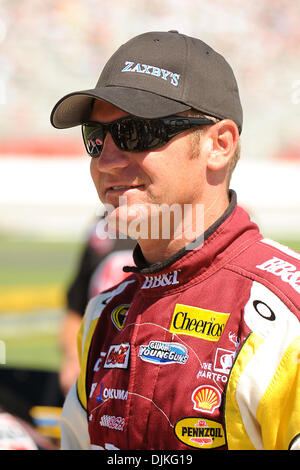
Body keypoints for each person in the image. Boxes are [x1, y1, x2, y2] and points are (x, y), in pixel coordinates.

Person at [50, 31, 300, 450]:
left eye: (137, 132)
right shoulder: (102, 314)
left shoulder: (284, 320)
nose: (107, 161)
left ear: (218, 145)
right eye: (96, 137)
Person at [59, 216, 134, 396]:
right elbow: (75, 311)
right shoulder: (101, 229)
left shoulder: (182, 225)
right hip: (99, 368)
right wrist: (74, 358)